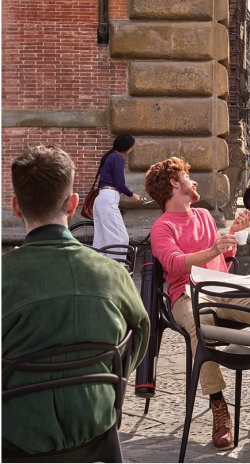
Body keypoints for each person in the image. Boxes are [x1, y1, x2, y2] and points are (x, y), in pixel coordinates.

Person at [144, 157, 250, 451]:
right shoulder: (162, 227)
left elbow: (222, 261)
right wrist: (212, 250)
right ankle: (219, 405)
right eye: (186, 176)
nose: (192, 181)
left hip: (224, 290)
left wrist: (232, 234)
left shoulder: (204, 216)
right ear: (173, 184)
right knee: (200, 320)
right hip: (188, 295)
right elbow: (175, 264)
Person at [3, 145, 150, 456]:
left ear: (16, 206)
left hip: (16, 431)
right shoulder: (113, 274)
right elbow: (140, 332)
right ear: (72, 204)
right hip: (95, 419)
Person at [92, 134, 142, 249]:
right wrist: (132, 195)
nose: (132, 149)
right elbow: (120, 184)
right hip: (109, 198)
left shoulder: (109, 156)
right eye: (131, 146)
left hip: (100, 199)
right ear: (127, 147)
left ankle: (102, 266)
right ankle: (118, 265)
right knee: (121, 238)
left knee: (102, 240)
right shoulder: (118, 158)